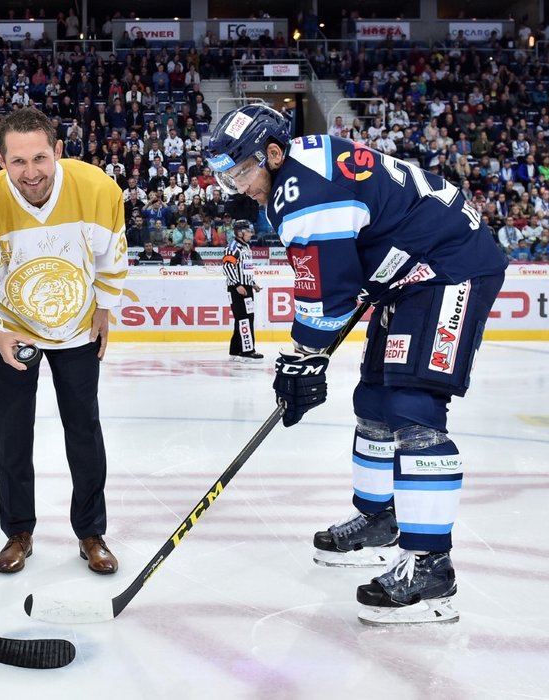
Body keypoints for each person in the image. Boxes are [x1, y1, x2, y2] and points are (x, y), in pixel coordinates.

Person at [205, 105, 507, 625]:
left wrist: (304, 358)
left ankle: (431, 565)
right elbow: (339, 273)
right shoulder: (297, 170)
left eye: (240, 172)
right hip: (406, 274)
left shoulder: (303, 196)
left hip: (449, 268)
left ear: (274, 153)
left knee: (412, 405)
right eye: (224, 176)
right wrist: (307, 358)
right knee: (372, 398)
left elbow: (327, 295)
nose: (236, 186)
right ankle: (379, 518)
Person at [0, 107, 127, 576]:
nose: (31, 173)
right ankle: (18, 532)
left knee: (84, 431)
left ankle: (91, 532)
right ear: (0, 161)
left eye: (40, 159)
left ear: (59, 152)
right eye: (18, 162)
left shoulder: (97, 189)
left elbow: (112, 257)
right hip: (13, 330)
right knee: (12, 434)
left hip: (76, 328)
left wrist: (105, 307)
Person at [223, 219, 263, 361]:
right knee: (244, 319)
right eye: (248, 230)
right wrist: (237, 285)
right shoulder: (234, 247)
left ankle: (235, 350)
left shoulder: (245, 247)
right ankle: (247, 351)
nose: (251, 233)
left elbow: (245, 269)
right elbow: (227, 267)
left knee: (244, 319)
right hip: (237, 288)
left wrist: (252, 283)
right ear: (240, 233)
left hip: (245, 287)